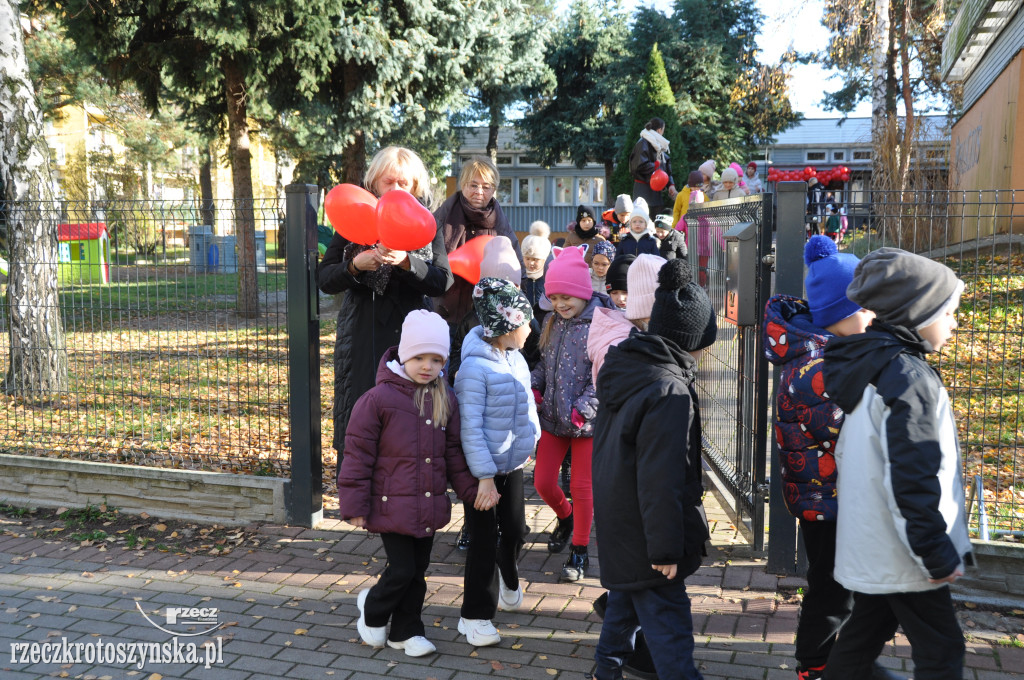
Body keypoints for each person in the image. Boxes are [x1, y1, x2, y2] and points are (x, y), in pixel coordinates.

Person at [822, 248, 972, 680]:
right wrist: (935, 553)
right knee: (942, 651)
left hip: (877, 542)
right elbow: (912, 476)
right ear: (918, 313)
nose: (955, 322)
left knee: (863, 639)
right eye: (949, 313)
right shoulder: (910, 381)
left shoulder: (873, 363)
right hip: (905, 550)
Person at [763, 236, 889, 680]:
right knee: (833, 589)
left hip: (826, 495)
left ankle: (830, 657)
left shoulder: (826, 354)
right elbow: (847, 430)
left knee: (835, 584)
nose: (872, 317)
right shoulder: (816, 370)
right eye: (864, 310)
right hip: (827, 502)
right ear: (839, 314)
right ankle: (815, 662)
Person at [591, 258, 716, 680]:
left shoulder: (629, 364)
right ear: (690, 339)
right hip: (649, 533)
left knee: (626, 599)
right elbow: (660, 478)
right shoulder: (668, 390)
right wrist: (665, 549)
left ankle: (605, 671)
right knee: (669, 625)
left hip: (621, 519)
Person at [340, 310, 478, 658]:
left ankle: (407, 631)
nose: (427, 366)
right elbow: (357, 455)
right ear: (404, 355)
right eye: (419, 357)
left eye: (436, 359)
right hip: (390, 503)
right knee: (401, 569)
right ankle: (373, 608)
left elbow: (453, 452)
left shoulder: (445, 397)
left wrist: (469, 490)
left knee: (417, 573)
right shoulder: (378, 400)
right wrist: (354, 505)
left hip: (428, 503)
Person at [318, 146, 453, 454]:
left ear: (415, 186)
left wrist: (407, 263)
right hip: (363, 333)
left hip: (414, 338)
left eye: (403, 183)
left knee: (411, 426)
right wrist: (355, 266)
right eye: (387, 182)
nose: (394, 190)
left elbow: (442, 281)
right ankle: (358, 498)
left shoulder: (426, 224)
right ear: (374, 182)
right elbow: (325, 279)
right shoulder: (356, 217)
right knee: (361, 420)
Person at [455, 277, 541, 647]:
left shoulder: (516, 358)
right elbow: (470, 429)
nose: (530, 329)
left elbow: (527, 407)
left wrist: (532, 440)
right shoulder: (474, 370)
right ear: (505, 325)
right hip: (483, 472)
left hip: (513, 465)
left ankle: (509, 574)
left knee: (517, 529)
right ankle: (475, 616)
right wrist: (484, 477)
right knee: (483, 541)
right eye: (525, 322)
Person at [531, 245, 615, 581]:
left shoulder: (600, 324)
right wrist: (535, 386)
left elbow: (604, 373)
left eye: (566, 296)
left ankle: (579, 549)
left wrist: (585, 408)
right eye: (553, 297)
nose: (560, 304)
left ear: (582, 292)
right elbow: (543, 363)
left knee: (582, 487)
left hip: (586, 423)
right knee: (543, 482)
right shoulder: (551, 321)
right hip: (552, 417)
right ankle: (565, 517)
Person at [434, 155, 524, 382]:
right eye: (473, 185)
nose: (479, 192)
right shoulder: (443, 216)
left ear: (494, 189)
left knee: (477, 383)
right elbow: (429, 258)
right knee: (442, 380)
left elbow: (516, 266)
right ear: (462, 184)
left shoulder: (500, 222)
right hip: (444, 315)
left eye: (486, 187)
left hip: (482, 321)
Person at [588, 253, 665, 386]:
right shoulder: (605, 317)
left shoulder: (649, 317)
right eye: (614, 293)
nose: (620, 299)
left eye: (625, 292)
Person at [628, 118, 677, 215]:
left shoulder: (658, 145)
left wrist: (671, 185)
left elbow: (665, 166)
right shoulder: (643, 143)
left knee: (656, 224)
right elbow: (637, 166)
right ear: (659, 130)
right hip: (643, 191)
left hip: (655, 192)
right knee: (641, 220)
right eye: (663, 130)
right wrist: (655, 165)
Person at [522, 221, 552, 369]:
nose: (531, 263)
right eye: (527, 258)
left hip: (543, 330)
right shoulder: (521, 278)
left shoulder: (547, 278)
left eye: (535, 259)